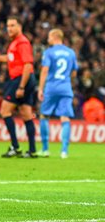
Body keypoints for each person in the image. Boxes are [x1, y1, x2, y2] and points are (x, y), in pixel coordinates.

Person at [0, 16, 38, 158]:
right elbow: (10, 58)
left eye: (13, 25)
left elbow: (28, 65)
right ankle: (31, 150)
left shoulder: (22, 43)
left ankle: (15, 146)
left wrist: (21, 87)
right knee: (26, 113)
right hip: (24, 79)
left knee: (5, 110)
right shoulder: (15, 43)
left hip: (21, 79)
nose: (9, 29)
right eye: (8, 26)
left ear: (20, 27)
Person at [37, 29, 78, 159]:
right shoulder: (71, 52)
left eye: (49, 36)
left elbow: (44, 71)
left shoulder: (49, 52)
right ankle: (64, 151)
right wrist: (68, 83)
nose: (47, 39)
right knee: (65, 118)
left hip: (51, 87)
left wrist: (40, 88)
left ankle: (45, 149)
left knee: (44, 116)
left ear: (55, 37)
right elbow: (74, 73)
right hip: (66, 88)